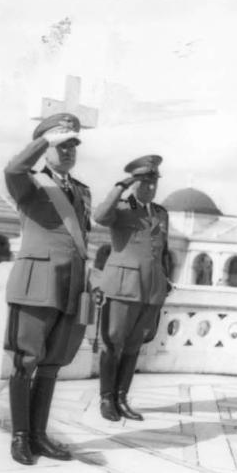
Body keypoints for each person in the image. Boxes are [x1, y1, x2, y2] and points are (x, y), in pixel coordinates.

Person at [4, 112, 91, 465]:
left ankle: (39, 435)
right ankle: (21, 437)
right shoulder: (31, 183)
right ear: (47, 147)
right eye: (61, 144)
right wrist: (44, 141)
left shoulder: (82, 190)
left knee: (52, 363)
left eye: (72, 144)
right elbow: (12, 169)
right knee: (26, 361)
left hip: (70, 286)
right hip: (37, 284)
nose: (68, 150)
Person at [93, 155, 172, 422]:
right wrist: (120, 186)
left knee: (134, 345)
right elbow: (100, 216)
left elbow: (162, 252)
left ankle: (121, 397)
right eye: (144, 182)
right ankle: (106, 399)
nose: (150, 187)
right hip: (123, 286)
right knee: (113, 342)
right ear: (135, 182)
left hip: (150, 289)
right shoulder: (122, 207)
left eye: (154, 182)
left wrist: (165, 280)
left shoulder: (161, 213)